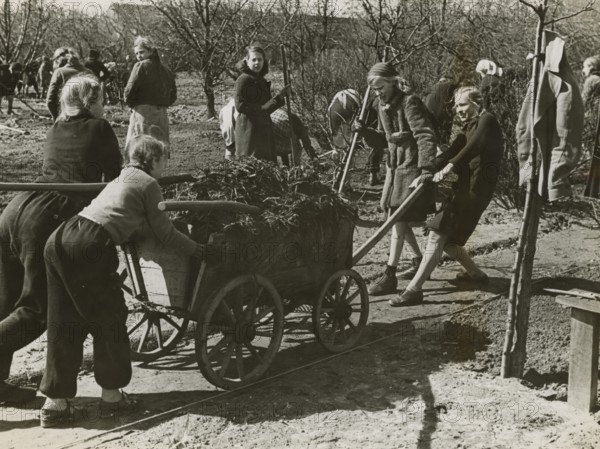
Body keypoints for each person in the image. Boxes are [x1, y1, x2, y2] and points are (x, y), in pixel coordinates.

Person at [38, 135, 221, 427]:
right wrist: (199, 250)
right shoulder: (149, 184)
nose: (165, 165)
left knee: (64, 320)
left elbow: (124, 217)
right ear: (153, 160)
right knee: (110, 317)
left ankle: (55, 405)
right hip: (90, 244)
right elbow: (166, 234)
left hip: (61, 237)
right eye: (163, 160)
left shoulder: (122, 177)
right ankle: (112, 399)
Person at [0, 74, 122, 405]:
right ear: (91, 102)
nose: (105, 105)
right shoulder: (100, 128)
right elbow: (115, 179)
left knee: (7, 302)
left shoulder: (55, 127)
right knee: (37, 310)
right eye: (102, 99)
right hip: (48, 217)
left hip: (17, 209)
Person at [392, 87, 504, 307]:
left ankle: (414, 290)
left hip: (476, 190)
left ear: (477, 103)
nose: (458, 110)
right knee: (448, 242)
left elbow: (471, 149)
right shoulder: (468, 126)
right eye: (456, 106)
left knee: (437, 234)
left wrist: (450, 167)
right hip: (464, 189)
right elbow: (451, 151)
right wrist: (425, 173)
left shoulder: (487, 121)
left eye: (463, 105)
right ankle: (476, 275)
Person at [353, 62, 437, 296]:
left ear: (392, 81)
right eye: (375, 89)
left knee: (397, 220)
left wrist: (427, 168)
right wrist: (365, 132)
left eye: (381, 87)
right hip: (394, 167)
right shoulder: (381, 105)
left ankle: (390, 274)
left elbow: (425, 135)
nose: (379, 92)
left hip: (412, 166)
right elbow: (383, 139)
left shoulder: (410, 102)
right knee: (395, 217)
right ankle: (419, 260)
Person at [234, 44, 290, 162]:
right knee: (252, 165)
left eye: (260, 59)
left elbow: (267, 109)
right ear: (246, 61)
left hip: (263, 130)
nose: (257, 63)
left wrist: (280, 97)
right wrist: (261, 108)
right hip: (249, 131)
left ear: (264, 61)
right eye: (253, 59)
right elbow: (240, 106)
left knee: (266, 167)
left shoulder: (262, 81)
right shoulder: (243, 80)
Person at [124, 36, 177, 153]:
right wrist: (163, 104)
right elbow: (173, 95)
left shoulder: (141, 66)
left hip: (142, 113)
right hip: (161, 115)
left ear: (151, 51)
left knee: (140, 149)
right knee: (158, 149)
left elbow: (129, 90)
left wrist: (132, 105)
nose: (139, 56)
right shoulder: (166, 70)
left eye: (141, 52)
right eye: (137, 53)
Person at [328, 89, 384, 185]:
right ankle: (344, 183)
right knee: (349, 149)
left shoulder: (342, 97)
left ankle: (337, 179)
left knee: (339, 148)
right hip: (348, 111)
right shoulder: (376, 101)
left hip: (334, 112)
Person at [46, 49, 90, 121]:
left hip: (66, 117)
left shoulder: (59, 73)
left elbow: (50, 101)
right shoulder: (89, 72)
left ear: (57, 61)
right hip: (87, 119)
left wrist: (56, 118)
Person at [582, 55, 600, 198]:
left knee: (594, 153)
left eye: (585, 66)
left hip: (594, 120)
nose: (583, 70)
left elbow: (584, 101)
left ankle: (593, 190)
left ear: (592, 68)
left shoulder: (592, 80)